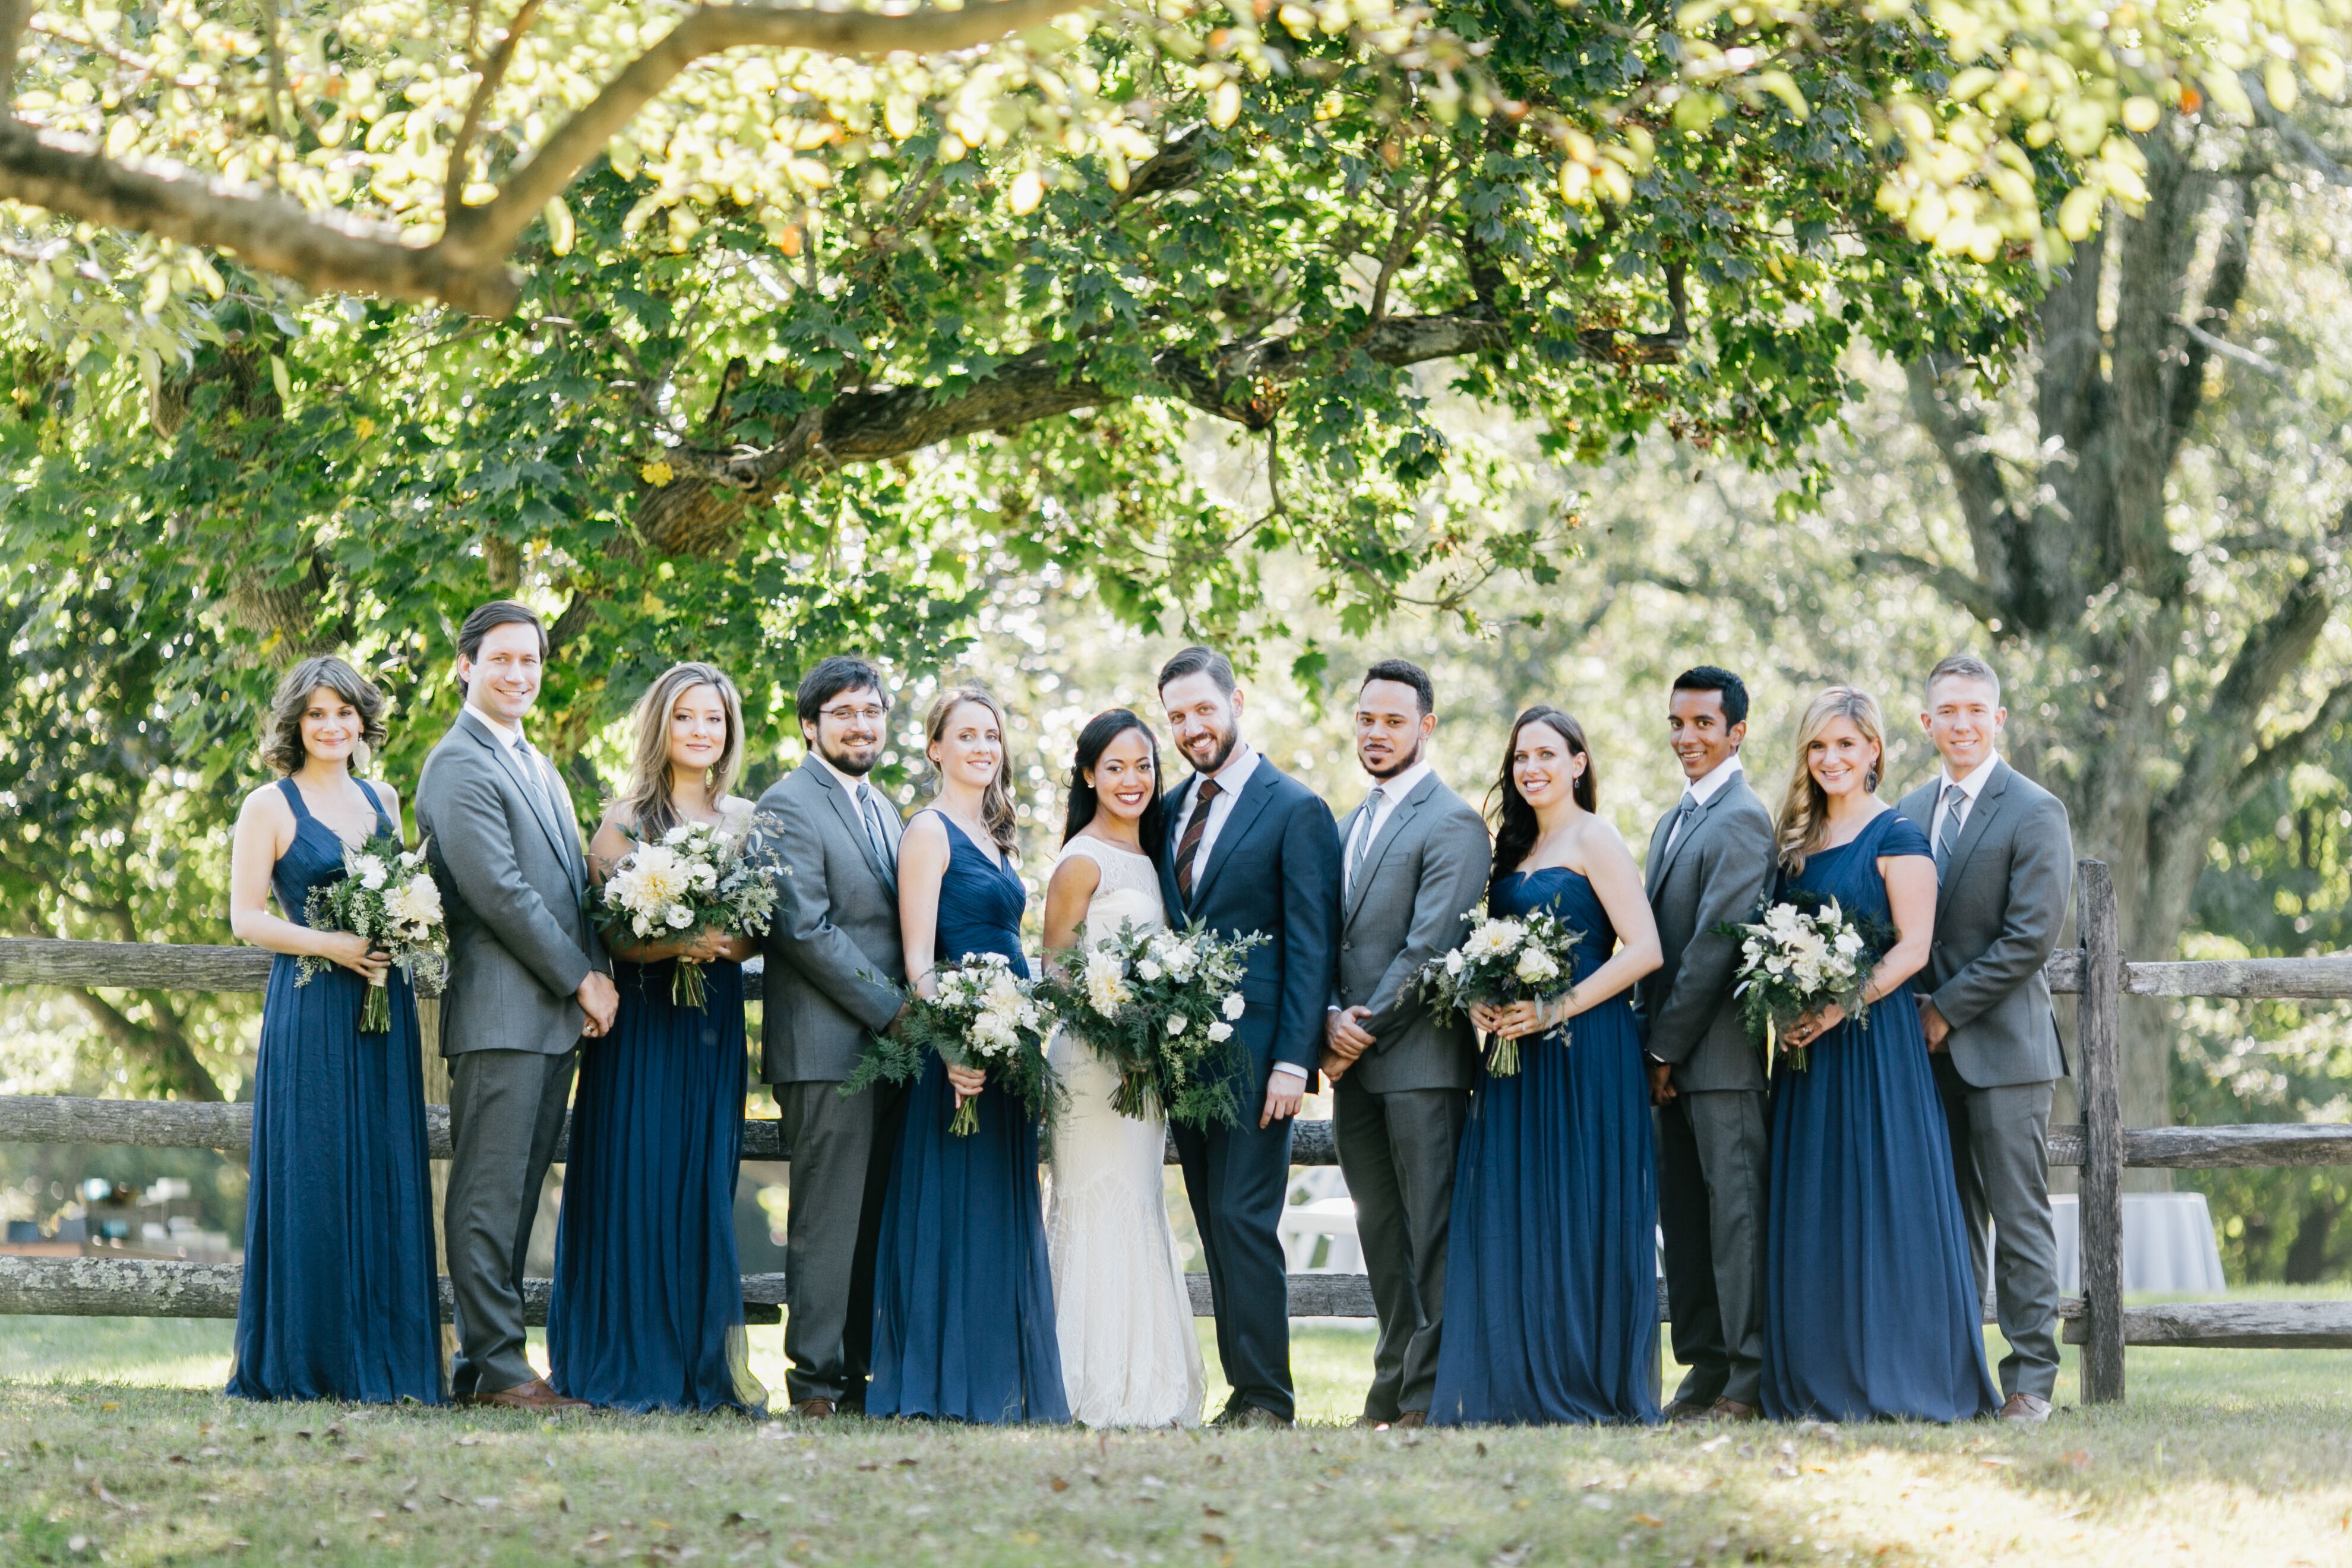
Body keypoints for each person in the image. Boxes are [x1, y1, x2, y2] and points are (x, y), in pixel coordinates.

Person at [1758, 687, 1999, 1422]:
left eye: (1845, 745)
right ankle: (1819, 1373)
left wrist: (1833, 1008)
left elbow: (1914, 948)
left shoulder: (1897, 836)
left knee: (1882, 1200)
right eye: (1818, 747)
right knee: (1815, 1205)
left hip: (1872, 1047)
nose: (1831, 759)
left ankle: (1904, 1372)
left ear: (1874, 752)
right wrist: (1785, 1006)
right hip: (1806, 1056)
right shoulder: (1794, 848)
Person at [1430, 707, 1664, 1425]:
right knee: (1520, 1208)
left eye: (1546, 755)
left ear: (1578, 762)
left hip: (1585, 1052)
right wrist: (1480, 998)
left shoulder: (1595, 837)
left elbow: (1645, 948)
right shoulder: (1515, 847)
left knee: (1579, 1209)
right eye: (1521, 757)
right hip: (1515, 1059)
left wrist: (1558, 1008)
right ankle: (1520, 1381)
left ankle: (1583, 1381)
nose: (1531, 769)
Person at [547, 663, 768, 1414]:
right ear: (661, 727)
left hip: (712, 1025)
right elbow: (606, 934)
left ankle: (693, 1365)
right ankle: (625, 1358)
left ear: (729, 732)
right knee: (633, 1181)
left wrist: (721, 944)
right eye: (686, 718)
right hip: (641, 1027)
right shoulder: (624, 822)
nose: (701, 731)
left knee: (699, 1186)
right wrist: (675, 943)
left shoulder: (745, 822)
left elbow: (761, 929)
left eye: (714, 719)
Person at [416, 600, 615, 1411]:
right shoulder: (457, 763)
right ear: (466, 666)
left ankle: (487, 1365)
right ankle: (496, 1367)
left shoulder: (535, 761)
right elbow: (498, 891)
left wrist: (594, 974)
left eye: (530, 661)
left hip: (549, 1019)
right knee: (488, 1195)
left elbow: (568, 888)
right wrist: (581, 978)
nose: (519, 674)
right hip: (502, 1009)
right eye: (501, 659)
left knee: (520, 1192)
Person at [226, 656, 441, 1404]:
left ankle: (386, 1359)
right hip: (314, 1003)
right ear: (296, 723)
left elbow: (403, 892)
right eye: (318, 714)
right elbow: (246, 916)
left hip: (383, 1006)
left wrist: (395, 936)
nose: (332, 727)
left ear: (363, 722)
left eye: (345, 713)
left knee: (383, 1166)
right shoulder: (269, 806)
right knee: (314, 1170)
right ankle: (308, 1362)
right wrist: (335, 945)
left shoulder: (383, 797)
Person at [867, 684, 1068, 1423]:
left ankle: (991, 1379)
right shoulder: (928, 832)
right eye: (967, 735)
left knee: (997, 1208)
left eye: (992, 736)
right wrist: (953, 1043)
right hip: (956, 1055)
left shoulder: (995, 835)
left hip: (1008, 1047)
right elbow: (918, 961)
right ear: (935, 748)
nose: (984, 747)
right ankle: (939, 1383)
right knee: (952, 1210)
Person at [1156, 646, 1342, 1429]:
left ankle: (1268, 1395)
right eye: (1177, 717)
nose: (1192, 728)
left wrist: (1295, 1061)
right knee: (1213, 1219)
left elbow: (1312, 945)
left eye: (1203, 709)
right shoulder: (1165, 810)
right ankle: (1244, 1392)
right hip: (1184, 1061)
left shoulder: (1296, 809)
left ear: (1237, 700)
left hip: (1262, 1058)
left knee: (1244, 1219)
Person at [1895, 655, 2074, 1423]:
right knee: (1949, 1219)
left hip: (2004, 1052)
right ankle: (1959, 1375)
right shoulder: (1905, 810)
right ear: (1927, 722)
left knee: (2020, 1217)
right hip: (1921, 1058)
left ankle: (2030, 1381)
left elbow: (2029, 938)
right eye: (1947, 711)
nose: (1961, 723)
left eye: (1975, 710)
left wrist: (1945, 1010)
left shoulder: (2035, 810)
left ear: (1998, 720)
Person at [1320, 660, 1490, 1430]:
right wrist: (1326, 1016)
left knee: (1432, 1238)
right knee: (1380, 1236)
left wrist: (1355, 1029)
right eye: (1366, 719)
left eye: (1393, 721)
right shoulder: (1348, 824)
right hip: (1354, 1071)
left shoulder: (1452, 821)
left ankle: (1428, 1397)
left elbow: (1429, 948)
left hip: (1422, 1066)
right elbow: (1327, 938)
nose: (1376, 733)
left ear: (1426, 726)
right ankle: (1387, 1391)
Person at [1040, 708, 1206, 1428]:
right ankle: (1081, 1378)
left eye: (1143, 766)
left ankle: (1148, 1378)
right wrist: (1112, 1016)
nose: (1132, 780)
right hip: (1091, 1061)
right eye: (1115, 767)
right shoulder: (1082, 859)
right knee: (1093, 1200)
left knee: (1139, 1202)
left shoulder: (1153, 856)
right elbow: (1053, 965)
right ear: (1088, 775)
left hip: (1144, 1066)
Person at [754, 655, 909, 1420]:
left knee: (873, 1217)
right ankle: (814, 1383)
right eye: (844, 713)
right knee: (825, 1220)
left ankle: (857, 1374)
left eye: (872, 711)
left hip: (885, 1049)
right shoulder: (787, 805)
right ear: (810, 725)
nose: (861, 725)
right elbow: (806, 931)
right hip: (824, 1050)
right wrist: (898, 1011)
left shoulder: (883, 808)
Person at [1639, 666, 1775, 1422]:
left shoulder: (1743, 819)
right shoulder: (1672, 821)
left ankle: (1748, 1378)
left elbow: (1713, 949)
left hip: (1718, 1062)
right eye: (1677, 723)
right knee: (1685, 1225)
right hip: (1669, 1064)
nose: (1686, 738)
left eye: (1702, 725)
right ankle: (1703, 1367)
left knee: (1736, 1222)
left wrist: (1664, 1050)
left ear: (1737, 733)